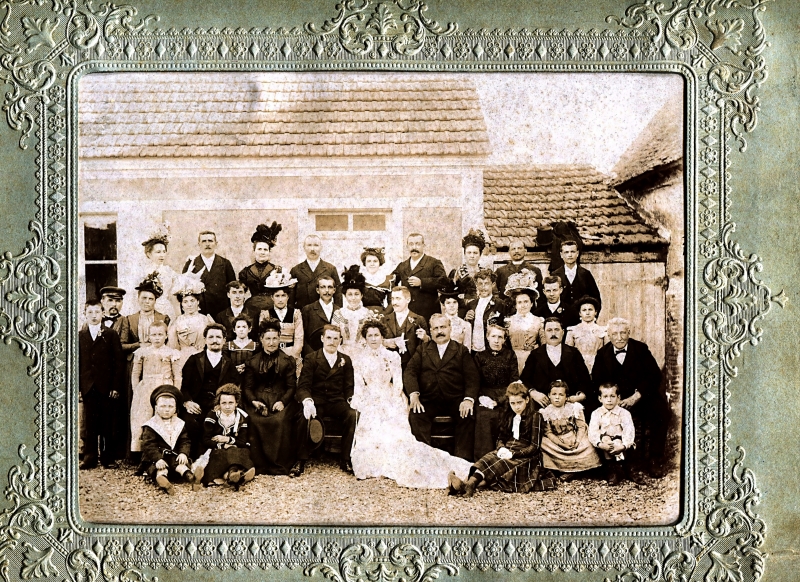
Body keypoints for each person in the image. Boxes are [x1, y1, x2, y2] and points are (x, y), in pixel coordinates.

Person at [349, 317, 472, 488]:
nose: (373, 339)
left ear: (382, 336)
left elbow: (399, 381)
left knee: (398, 428)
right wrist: (364, 401)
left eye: (376, 335)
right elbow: (360, 384)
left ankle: (456, 463)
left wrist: (391, 398)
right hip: (371, 399)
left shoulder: (391, 356)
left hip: (391, 396)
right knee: (374, 426)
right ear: (365, 338)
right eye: (369, 335)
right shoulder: (359, 359)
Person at [592, 318, 668, 480]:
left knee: (661, 412)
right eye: (614, 334)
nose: (619, 337)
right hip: (614, 401)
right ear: (609, 335)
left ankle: (655, 458)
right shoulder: (602, 354)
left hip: (640, 397)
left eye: (622, 333)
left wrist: (637, 396)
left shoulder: (640, 349)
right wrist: (612, 400)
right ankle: (609, 464)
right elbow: (597, 381)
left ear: (628, 333)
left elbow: (654, 376)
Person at [449, 382, 556, 496]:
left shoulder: (536, 417)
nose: (517, 407)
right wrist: (501, 448)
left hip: (526, 455)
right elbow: (501, 437)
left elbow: (534, 447)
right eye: (513, 403)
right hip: (508, 450)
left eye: (519, 402)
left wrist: (513, 454)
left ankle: (466, 486)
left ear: (527, 400)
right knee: (488, 459)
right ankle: (468, 485)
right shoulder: (509, 416)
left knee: (500, 466)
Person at [404, 313, 479, 461]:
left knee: (468, 415)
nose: (439, 331)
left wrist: (468, 399)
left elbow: (472, 377)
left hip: (455, 399)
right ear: (430, 331)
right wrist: (414, 394)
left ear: (450, 329)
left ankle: (461, 463)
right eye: (435, 328)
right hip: (430, 399)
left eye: (443, 327)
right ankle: (424, 461)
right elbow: (410, 371)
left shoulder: (460, 350)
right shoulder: (423, 349)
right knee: (417, 414)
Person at [294, 325, 356, 476]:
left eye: (336, 338)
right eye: (328, 338)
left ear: (340, 341)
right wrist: (307, 401)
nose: (332, 342)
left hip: (337, 402)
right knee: (304, 416)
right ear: (322, 339)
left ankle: (345, 458)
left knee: (352, 414)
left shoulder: (345, 360)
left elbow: (349, 387)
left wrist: (351, 399)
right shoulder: (311, 358)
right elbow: (303, 386)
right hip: (317, 401)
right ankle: (300, 460)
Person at [241, 320, 300, 475]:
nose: (271, 342)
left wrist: (283, 401)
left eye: (275, 338)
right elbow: (247, 387)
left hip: (281, 398)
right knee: (254, 419)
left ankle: (279, 463)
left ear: (280, 338)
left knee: (279, 420)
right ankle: (258, 464)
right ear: (261, 339)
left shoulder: (287, 361)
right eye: (268, 338)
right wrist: (254, 401)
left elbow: (291, 387)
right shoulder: (252, 362)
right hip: (258, 398)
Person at [180, 324, 239, 456]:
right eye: (211, 337)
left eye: (218, 337)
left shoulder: (228, 363)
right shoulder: (194, 360)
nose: (214, 340)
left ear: (224, 340)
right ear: (205, 339)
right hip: (196, 405)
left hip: (218, 406)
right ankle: (192, 459)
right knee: (190, 423)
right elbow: (183, 386)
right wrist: (187, 402)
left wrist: (222, 405)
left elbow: (234, 388)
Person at [79, 300, 125, 469]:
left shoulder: (110, 334)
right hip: (88, 386)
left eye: (97, 312)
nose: (93, 315)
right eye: (90, 312)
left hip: (106, 387)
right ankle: (89, 457)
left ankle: (108, 458)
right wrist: (79, 388)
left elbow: (118, 362)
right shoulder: (80, 336)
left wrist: (115, 387)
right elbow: (78, 363)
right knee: (90, 423)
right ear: (85, 314)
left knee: (107, 423)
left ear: (102, 314)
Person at [129, 321, 182, 456]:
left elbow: (178, 376)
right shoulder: (142, 352)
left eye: (160, 334)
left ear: (166, 336)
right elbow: (135, 374)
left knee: (164, 416)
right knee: (143, 417)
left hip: (165, 388)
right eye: (154, 335)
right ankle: (142, 451)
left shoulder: (171, 353)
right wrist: (137, 391)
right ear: (149, 336)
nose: (157, 338)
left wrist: (175, 394)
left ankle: (164, 450)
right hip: (146, 388)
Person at [139, 384, 202, 494]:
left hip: (174, 456)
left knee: (181, 464)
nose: (167, 410)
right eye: (163, 406)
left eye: (170, 407)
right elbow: (149, 445)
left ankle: (191, 477)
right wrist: (157, 458)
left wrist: (183, 453)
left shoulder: (179, 423)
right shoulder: (151, 425)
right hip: (158, 457)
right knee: (160, 468)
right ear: (156, 408)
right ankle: (164, 482)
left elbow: (185, 440)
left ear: (175, 409)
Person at [519, 318, 593, 409]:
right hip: (542, 406)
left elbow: (585, 379)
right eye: (549, 330)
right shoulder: (535, 354)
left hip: (569, 404)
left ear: (562, 332)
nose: (553, 334)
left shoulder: (574, 353)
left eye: (557, 330)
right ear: (544, 333)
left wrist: (580, 396)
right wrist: (534, 393)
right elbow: (525, 379)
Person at [473, 321, 519, 459]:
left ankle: (506, 457)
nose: (496, 340)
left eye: (500, 337)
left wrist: (500, 400)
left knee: (507, 416)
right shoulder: (479, 356)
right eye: (493, 336)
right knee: (484, 415)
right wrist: (482, 398)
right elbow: (475, 381)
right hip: (485, 396)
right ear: (487, 337)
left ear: (504, 339)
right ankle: (484, 459)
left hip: (506, 396)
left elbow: (514, 382)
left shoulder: (510, 355)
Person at [539, 380, 601, 480]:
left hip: (573, 437)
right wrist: (560, 443)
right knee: (543, 444)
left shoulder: (574, 408)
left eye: (561, 394)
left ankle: (576, 471)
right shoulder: (545, 412)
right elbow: (548, 432)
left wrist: (577, 441)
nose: (557, 397)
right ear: (549, 395)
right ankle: (562, 470)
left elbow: (581, 426)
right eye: (554, 394)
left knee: (588, 444)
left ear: (566, 397)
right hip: (557, 441)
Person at [201, 384, 256, 489]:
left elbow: (243, 441)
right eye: (224, 403)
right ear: (219, 403)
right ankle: (234, 477)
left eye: (231, 403)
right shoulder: (213, 416)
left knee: (238, 451)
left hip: (235, 449)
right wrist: (221, 445)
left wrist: (228, 439)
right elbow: (206, 439)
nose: (227, 407)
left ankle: (232, 476)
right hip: (217, 448)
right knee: (220, 455)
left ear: (236, 403)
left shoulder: (242, 417)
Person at [391, 233, 449, 322]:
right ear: (407, 246)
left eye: (417, 244)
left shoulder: (434, 263)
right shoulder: (402, 266)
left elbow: (444, 282)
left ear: (423, 245)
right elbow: (391, 282)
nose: (414, 247)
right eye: (411, 244)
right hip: (408, 313)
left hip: (428, 313)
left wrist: (422, 282)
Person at [588, 383, 636, 486]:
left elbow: (629, 431)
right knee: (606, 440)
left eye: (612, 396)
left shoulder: (624, 413)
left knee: (619, 442)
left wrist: (624, 445)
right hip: (605, 444)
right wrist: (600, 444)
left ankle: (627, 469)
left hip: (620, 442)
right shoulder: (596, 413)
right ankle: (612, 471)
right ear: (600, 399)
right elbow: (593, 432)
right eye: (605, 396)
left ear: (618, 398)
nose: (609, 400)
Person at [182, 231, 237, 318]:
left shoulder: (225, 263)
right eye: (204, 241)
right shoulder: (191, 264)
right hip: (199, 312)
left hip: (221, 311)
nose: (207, 244)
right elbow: (183, 291)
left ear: (216, 244)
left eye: (210, 241)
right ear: (199, 244)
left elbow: (233, 288)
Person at [167, 272, 215, 369]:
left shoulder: (206, 320)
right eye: (185, 302)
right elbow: (173, 345)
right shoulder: (177, 321)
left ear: (198, 302)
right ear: (182, 304)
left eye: (192, 301)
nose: (189, 305)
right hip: (183, 358)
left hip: (203, 356)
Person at [504, 269, 544, 374]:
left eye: (526, 302)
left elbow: (544, 344)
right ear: (515, 305)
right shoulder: (509, 321)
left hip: (534, 360)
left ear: (531, 303)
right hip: (513, 360)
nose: (523, 305)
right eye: (519, 302)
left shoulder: (538, 321)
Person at [260, 270, 304, 364]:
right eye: (277, 296)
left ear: (288, 297)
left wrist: (293, 357)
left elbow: (299, 338)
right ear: (272, 297)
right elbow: (263, 338)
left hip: (291, 353)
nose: (280, 299)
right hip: (271, 353)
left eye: (283, 295)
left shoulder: (295, 313)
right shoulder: (266, 314)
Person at [238, 221, 283, 313]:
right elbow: (241, 291)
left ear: (269, 252)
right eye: (259, 249)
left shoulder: (276, 269)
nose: (262, 252)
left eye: (265, 250)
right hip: (252, 307)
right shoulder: (246, 272)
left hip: (272, 307)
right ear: (254, 251)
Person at [382, 286, 429, 370]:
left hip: (413, 367)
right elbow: (376, 341)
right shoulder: (384, 320)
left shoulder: (419, 319)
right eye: (392, 299)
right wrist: (385, 342)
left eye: (398, 299)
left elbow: (428, 344)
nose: (394, 302)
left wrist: (425, 338)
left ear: (408, 300)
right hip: (389, 366)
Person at [137, 223, 178, 318]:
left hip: (166, 309)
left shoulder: (169, 271)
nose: (162, 255)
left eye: (164, 252)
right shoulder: (143, 272)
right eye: (158, 252)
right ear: (149, 254)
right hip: (148, 309)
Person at [289, 234, 342, 310]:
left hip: (324, 313)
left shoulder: (330, 269)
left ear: (321, 247)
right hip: (302, 313)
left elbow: (338, 294)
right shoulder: (296, 270)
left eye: (316, 245)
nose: (312, 249)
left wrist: (337, 314)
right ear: (304, 247)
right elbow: (291, 297)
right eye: (309, 245)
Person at [551, 240, 601, 314]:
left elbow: (596, 299)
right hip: (562, 317)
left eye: (572, 252)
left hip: (581, 319)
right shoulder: (555, 275)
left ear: (577, 253)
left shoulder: (585, 274)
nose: (570, 255)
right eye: (566, 252)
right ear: (561, 255)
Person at [465, 269, 509, 354]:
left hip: (490, 349)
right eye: (480, 284)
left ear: (493, 285)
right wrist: (467, 319)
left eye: (486, 284)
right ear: (476, 285)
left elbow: (505, 328)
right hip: (474, 349)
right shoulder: (471, 304)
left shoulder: (500, 304)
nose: (483, 287)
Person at [332, 265, 372, 357]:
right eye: (350, 294)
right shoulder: (338, 314)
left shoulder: (368, 314)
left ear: (362, 295)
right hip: (342, 354)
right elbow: (334, 337)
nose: (353, 298)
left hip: (364, 355)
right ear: (345, 295)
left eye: (356, 294)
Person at [448, 229, 489, 313]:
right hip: (461, 311)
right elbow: (449, 295)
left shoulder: (486, 272)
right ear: (465, 254)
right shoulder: (456, 273)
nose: (472, 256)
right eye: (469, 253)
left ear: (480, 254)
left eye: (475, 253)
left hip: (482, 310)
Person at [495, 239, 544, 306]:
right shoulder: (501, 271)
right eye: (513, 249)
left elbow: (540, 293)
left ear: (525, 251)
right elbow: (495, 291)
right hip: (506, 308)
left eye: (519, 248)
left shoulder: (534, 270)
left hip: (527, 308)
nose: (516, 251)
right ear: (509, 252)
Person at [300, 275, 341, 357]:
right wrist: (311, 356)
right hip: (313, 356)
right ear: (317, 290)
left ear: (334, 290)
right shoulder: (308, 309)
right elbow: (303, 337)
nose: (326, 291)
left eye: (330, 287)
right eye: (323, 287)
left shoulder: (340, 311)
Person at [565, 295, 607, 373]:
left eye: (590, 309)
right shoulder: (572, 331)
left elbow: (607, 353)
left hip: (598, 366)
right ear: (580, 313)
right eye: (584, 310)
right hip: (578, 367)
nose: (587, 313)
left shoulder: (603, 331)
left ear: (595, 312)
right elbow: (568, 354)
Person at [437, 281, 471, 351]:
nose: (452, 306)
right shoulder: (438, 323)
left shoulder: (466, 325)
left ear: (458, 304)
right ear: (444, 305)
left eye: (454, 302)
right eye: (448, 303)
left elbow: (467, 350)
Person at [359, 247, 394, 312]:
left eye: (375, 261)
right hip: (361, 313)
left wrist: (384, 315)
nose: (372, 264)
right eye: (369, 261)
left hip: (380, 313)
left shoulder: (387, 280)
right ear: (365, 263)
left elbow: (391, 303)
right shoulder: (359, 278)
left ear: (379, 263)